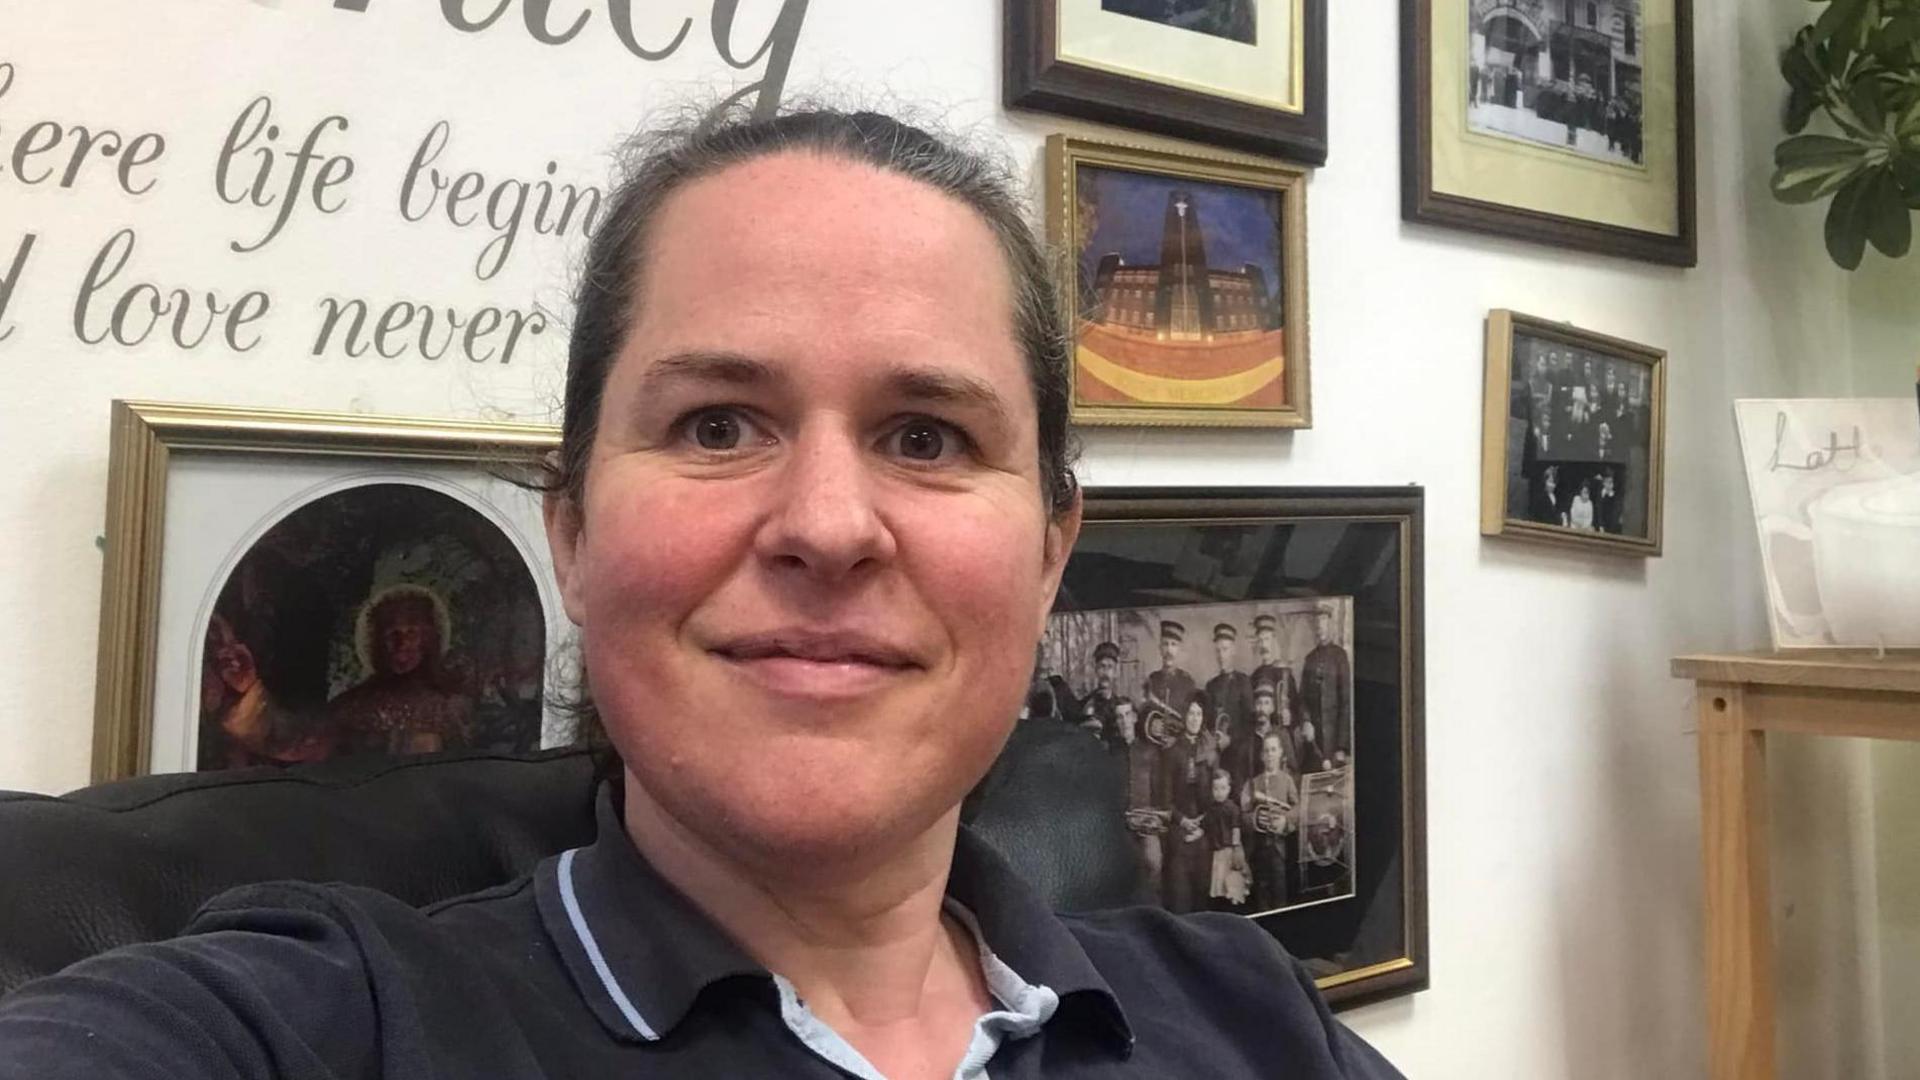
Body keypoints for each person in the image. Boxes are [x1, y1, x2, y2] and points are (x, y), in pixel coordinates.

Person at [0, 105, 1399, 1079]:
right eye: (719, 425)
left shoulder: (1250, 1011)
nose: (829, 525)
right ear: (571, 529)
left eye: (929, 436)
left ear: (1047, 553)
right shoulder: (313, 1025)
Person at [325, 585, 473, 756]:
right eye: (392, 634)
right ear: (375, 640)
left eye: (411, 633)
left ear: (429, 638)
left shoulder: (450, 706)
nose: (402, 644)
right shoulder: (349, 707)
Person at [1115, 700, 1170, 905]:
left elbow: (1160, 791)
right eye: (1119, 717)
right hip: (1121, 827)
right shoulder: (1111, 752)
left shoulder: (1151, 752)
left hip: (1148, 824)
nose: (1124, 721)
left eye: (1128, 715)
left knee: (1154, 864)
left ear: (1135, 718)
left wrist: (1154, 818)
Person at [1242, 730, 1299, 913]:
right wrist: (1255, 819)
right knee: (1261, 895)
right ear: (1261, 756)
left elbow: (1298, 809)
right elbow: (1243, 814)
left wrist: (1285, 820)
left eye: (1273, 750)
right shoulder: (1253, 783)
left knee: (1280, 895)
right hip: (1258, 850)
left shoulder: (1287, 780)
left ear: (1281, 752)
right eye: (1266, 751)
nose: (1270, 755)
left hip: (1280, 848)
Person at [1297, 607, 1352, 767]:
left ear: (1330, 625)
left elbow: (1346, 701)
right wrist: (1306, 721)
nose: (1319, 628)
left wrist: (1342, 746)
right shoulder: (1310, 659)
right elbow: (1302, 699)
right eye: (1317, 625)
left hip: (1335, 743)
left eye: (1323, 623)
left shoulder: (1339, 656)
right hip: (1314, 741)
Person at [1204, 622, 1254, 755]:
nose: (1221, 656)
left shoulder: (1243, 682)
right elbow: (1206, 723)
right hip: (1215, 754)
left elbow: (1250, 723)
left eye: (1225, 649)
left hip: (1238, 753)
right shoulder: (1210, 686)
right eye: (1218, 651)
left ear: (1233, 651)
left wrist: (1231, 739)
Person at [1143, 618, 1196, 718]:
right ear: (1160, 648)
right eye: (1165, 644)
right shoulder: (1152, 679)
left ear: (1179, 649)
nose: (1169, 650)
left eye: (1173, 644)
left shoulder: (1188, 682)